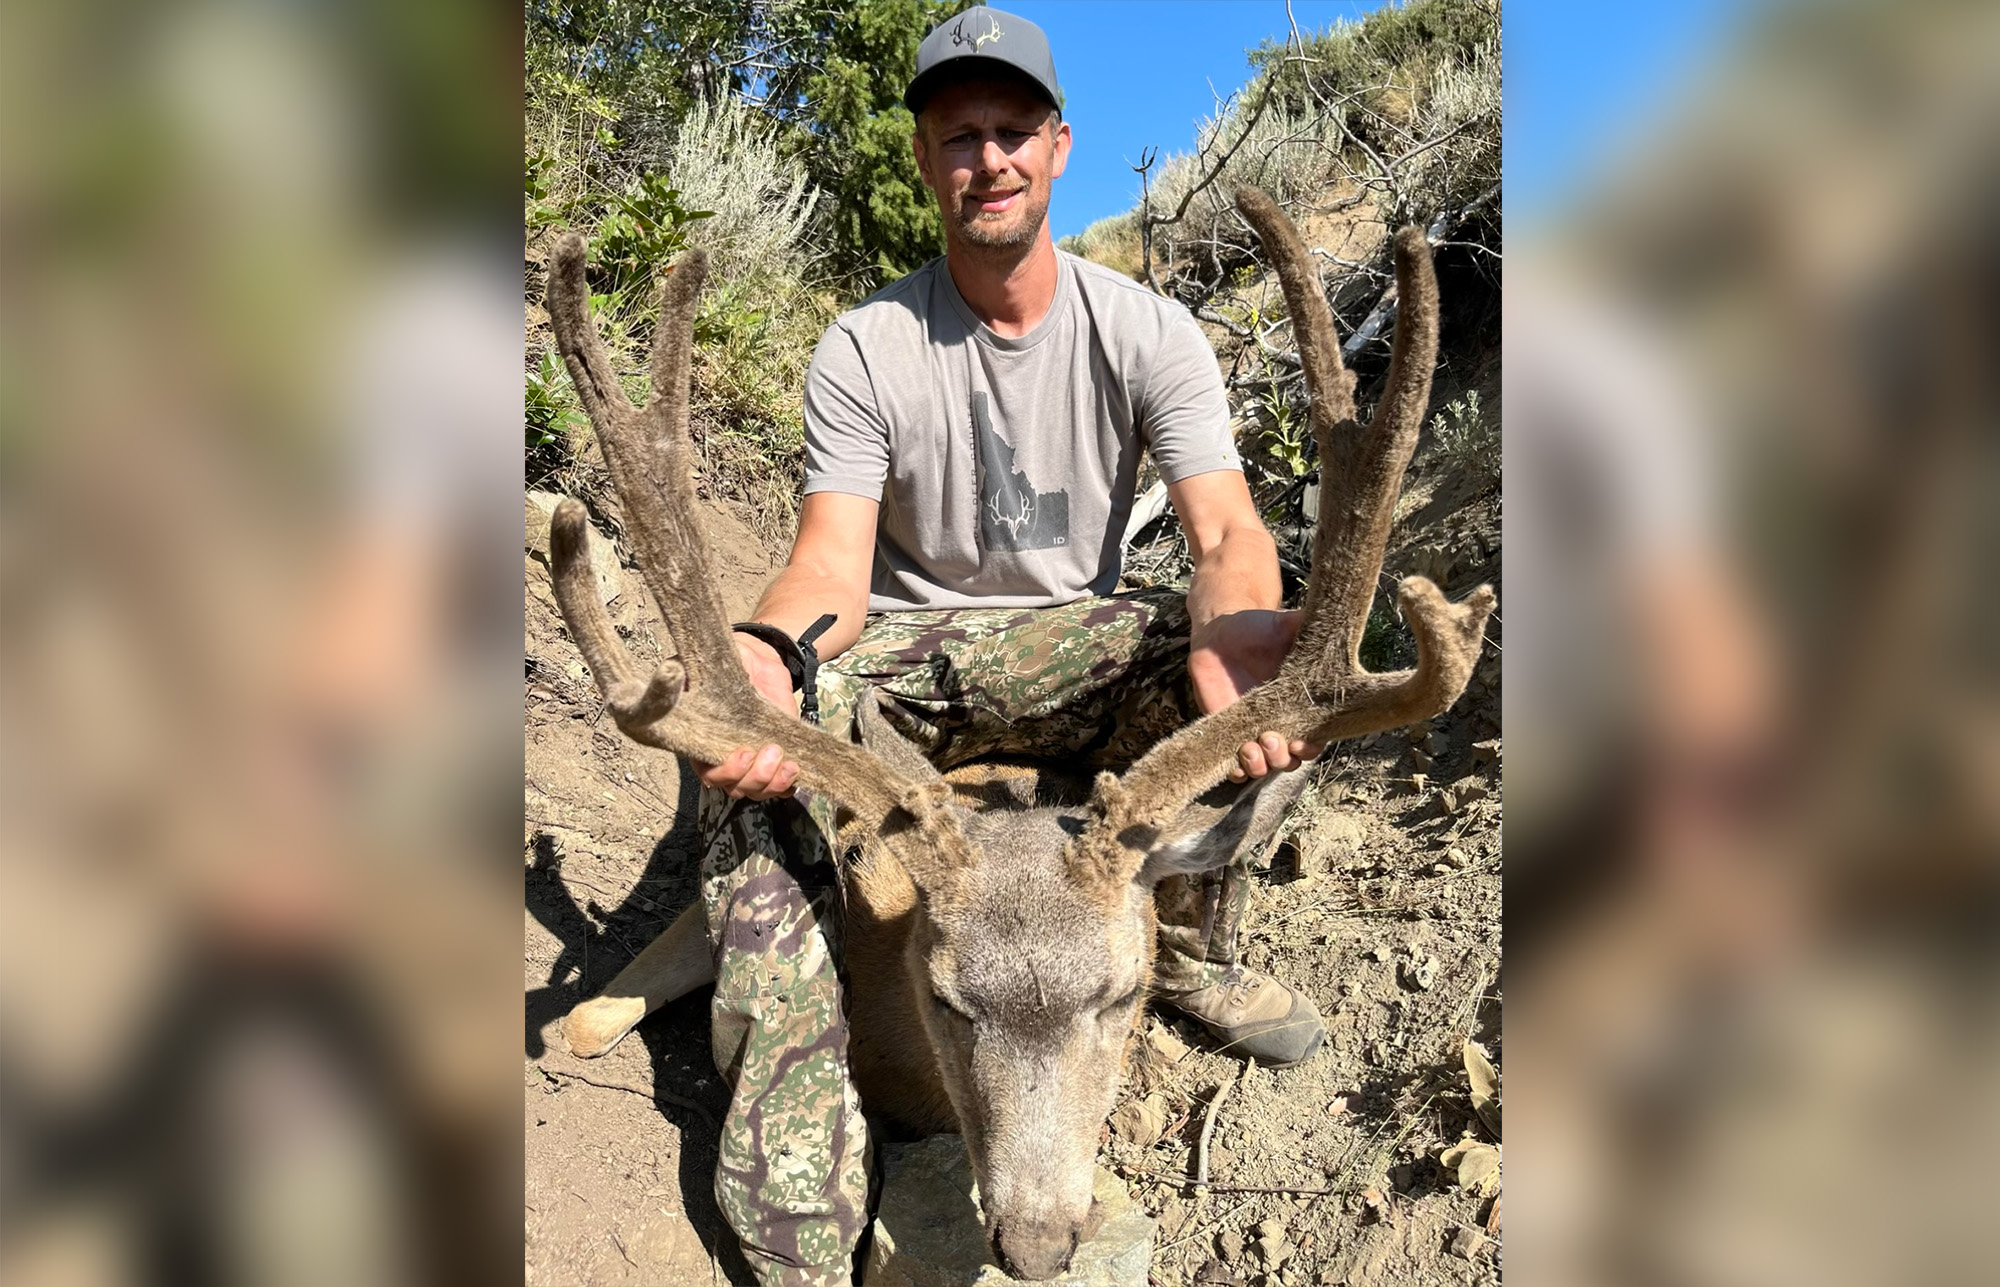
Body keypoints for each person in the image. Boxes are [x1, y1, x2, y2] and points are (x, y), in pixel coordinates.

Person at [693, 9, 1325, 1285]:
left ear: (1058, 147)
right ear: (928, 161)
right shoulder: (868, 345)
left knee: (1260, 705)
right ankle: (798, 1097)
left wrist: (1239, 642)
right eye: (958, 136)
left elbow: (1221, 531)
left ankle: (1185, 947)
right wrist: (770, 655)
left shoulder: (1145, 332)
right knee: (752, 782)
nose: (988, 159)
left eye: (1012, 131)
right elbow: (830, 562)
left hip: (1074, 653)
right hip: (919, 662)